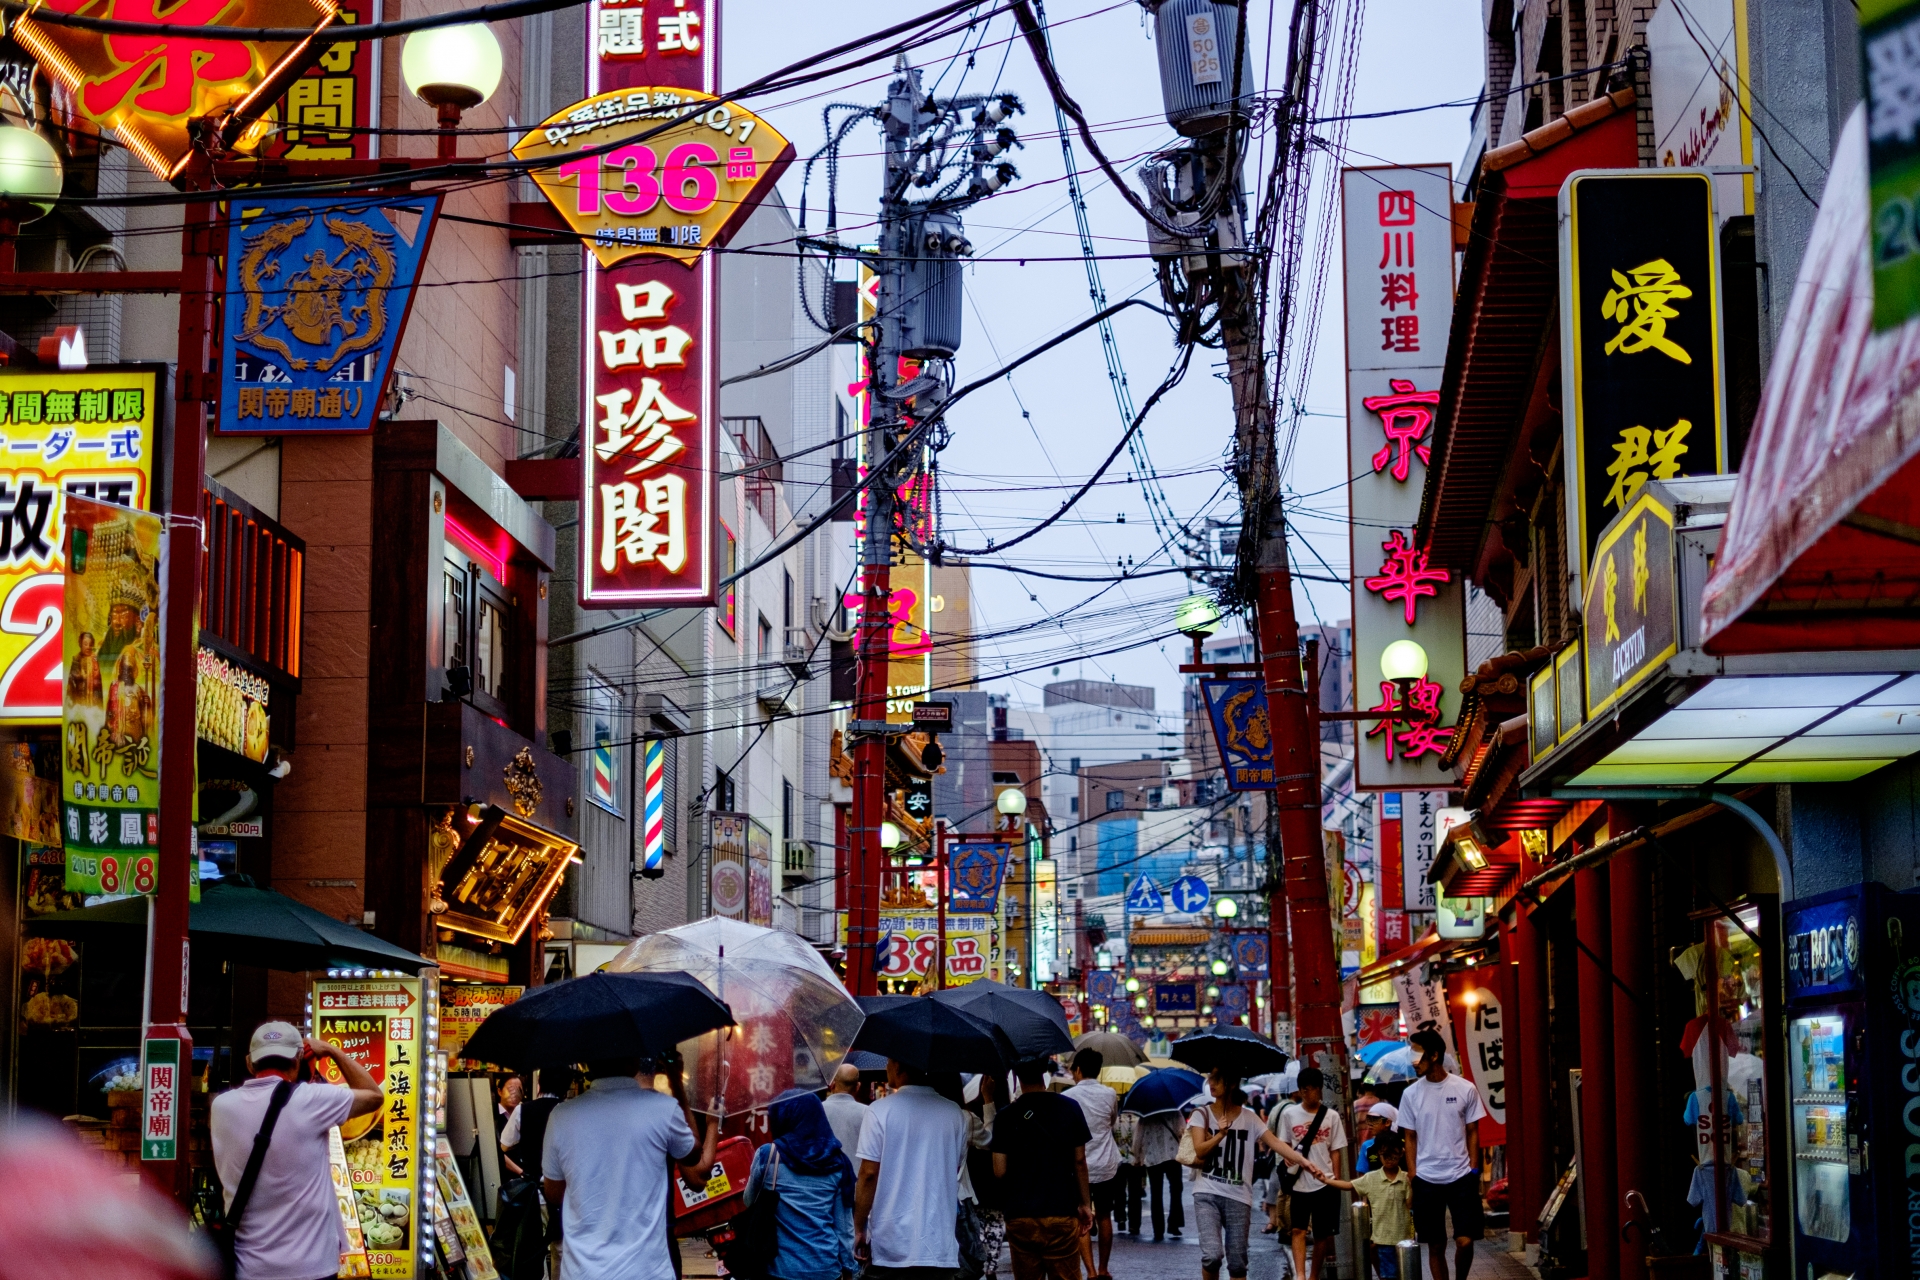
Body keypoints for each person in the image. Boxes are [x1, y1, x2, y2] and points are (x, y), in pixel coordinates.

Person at [210, 1022, 385, 1280]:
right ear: (298, 1062)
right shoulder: (313, 1100)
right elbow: (373, 1096)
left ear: (250, 1064)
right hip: (313, 1267)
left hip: (249, 1268)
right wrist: (330, 1050)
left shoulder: (221, 1107)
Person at [542, 1055, 718, 1280]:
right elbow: (693, 1155)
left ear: (587, 1065)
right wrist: (676, 1082)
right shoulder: (663, 1109)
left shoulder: (561, 1116)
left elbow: (554, 1194)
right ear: (632, 1062)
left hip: (583, 1271)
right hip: (647, 1270)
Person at [1187, 1069, 1326, 1280]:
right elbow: (1200, 1150)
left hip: (1238, 1196)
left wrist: (1304, 1161)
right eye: (1210, 1078)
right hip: (1206, 1192)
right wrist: (1221, 1134)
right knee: (1212, 1256)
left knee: (1237, 1263)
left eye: (1217, 1078)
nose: (1211, 1083)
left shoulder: (1249, 1118)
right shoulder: (1202, 1114)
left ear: (1232, 1083)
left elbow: (1276, 1143)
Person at [854, 1058, 970, 1279]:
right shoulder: (954, 1112)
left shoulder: (878, 1111)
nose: (886, 1067)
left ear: (898, 1065)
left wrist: (859, 1228)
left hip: (892, 1244)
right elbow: (955, 1167)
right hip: (939, 1243)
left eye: (888, 1062)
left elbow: (869, 1174)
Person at [990, 1058, 1091, 1280]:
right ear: (1044, 1071)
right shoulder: (1069, 1107)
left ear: (1015, 1076)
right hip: (1061, 1210)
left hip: (1020, 1214)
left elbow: (999, 1171)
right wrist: (1085, 1204)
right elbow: (1080, 1161)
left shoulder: (1006, 1116)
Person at [1398, 1030, 1487, 1280]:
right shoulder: (1410, 1094)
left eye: (1417, 1053)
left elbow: (1472, 1131)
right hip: (1426, 1178)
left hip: (1461, 1176)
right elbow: (1410, 1136)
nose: (1413, 1060)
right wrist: (1413, 1173)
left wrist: (1474, 1170)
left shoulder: (1465, 1088)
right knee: (1435, 1244)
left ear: (1434, 1055)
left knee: (1465, 1241)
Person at [745, 1089, 857, 1280]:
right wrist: (850, 1269)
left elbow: (748, 1201)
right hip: (824, 1268)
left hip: (778, 1269)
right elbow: (843, 1227)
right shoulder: (837, 1162)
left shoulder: (768, 1155)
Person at [498, 1067, 575, 1280]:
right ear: (566, 1087)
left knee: (534, 1247)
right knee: (560, 1247)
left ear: (539, 1083)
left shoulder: (524, 1110)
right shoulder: (569, 1110)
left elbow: (504, 1145)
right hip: (565, 1192)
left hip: (534, 1191)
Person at [1274, 1068, 1349, 1280]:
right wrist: (1287, 1156)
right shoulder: (1289, 1114)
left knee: (1322, 1234)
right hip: (1299, 1182)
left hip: (1325, 1182)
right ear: (1300, 1091)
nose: (1310, 1094)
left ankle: (1313, 1275)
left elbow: (1336, 1150)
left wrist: (1335, 1179)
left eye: (1314, 1089)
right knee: (1298, 1229)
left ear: (1320, 1089)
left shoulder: (1331, 1116)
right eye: (1305, 1090)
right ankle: (1300, 1275)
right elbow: (1283, 1144)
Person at [1323, 1133, 1414, 1280]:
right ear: (1379, 1153)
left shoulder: (1405, 1178)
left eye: (1394, 1156)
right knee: (1389, 1275)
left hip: (1404, 1237)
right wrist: (1326, 1180)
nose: (1390, 1160)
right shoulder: (1371, 1178)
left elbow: (1410, 1204)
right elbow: (1348, 1185)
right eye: (1386, 1156)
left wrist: (1412, 1186)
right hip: (1383, 1238)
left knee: (1407, 1274)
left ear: (1401, 1154)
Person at [1063, 1051, 1122, 1280]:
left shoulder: (1068, 1096)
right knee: (1105, 1216)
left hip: (1080, 1165)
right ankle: (1104, 1268)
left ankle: (1089, 1271)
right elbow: (1112, 1121)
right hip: (1106, 1163)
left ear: (1078, 1070)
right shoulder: (1110, 1094)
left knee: (1081, 1217)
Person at [1133, 1109, 1186, 1241]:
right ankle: (1174, 1224)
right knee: (1176, 1189)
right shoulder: (1174, 1110)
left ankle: (1158, 1230)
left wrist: (1137, 1156)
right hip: (1173, 1155)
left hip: (1153, 1156)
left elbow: (1138, 1135)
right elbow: (1182, 1131)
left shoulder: (1145, 1113)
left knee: (1156, 1194)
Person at [823, 1063, 871, 1158]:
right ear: (857, 1086)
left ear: (832, 1084)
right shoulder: (867, 1112)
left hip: (826, 1171)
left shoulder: (818, 1109)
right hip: (856, 1171)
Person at [1353, 1102, 1398, 1175]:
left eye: (1375, 1120)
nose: (1370, 1125)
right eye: (1369, 1120)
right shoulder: (1367, 1146)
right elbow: (1362, 1176)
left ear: (1387, 1122)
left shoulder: (1400, 1145)